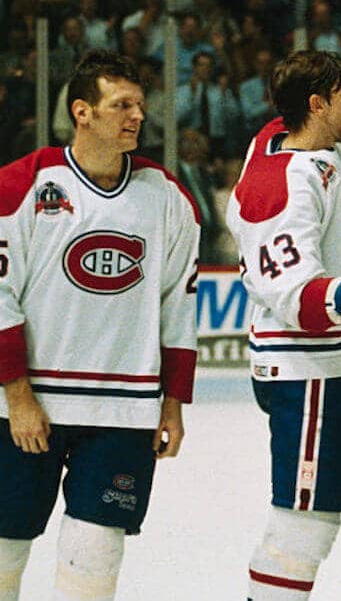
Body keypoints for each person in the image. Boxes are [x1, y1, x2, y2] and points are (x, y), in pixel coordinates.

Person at [0, 52, 199, 601]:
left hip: (123, 409)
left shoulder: (169, 199)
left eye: (140, 104)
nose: (136, 115)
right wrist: (17, 397)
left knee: (95, 554)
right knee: (4, 547)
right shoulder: (21, 186)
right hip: (29, 405)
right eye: (121, 105)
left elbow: (178, 307)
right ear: (82, 111)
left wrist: (171, 404)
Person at [226, 50, 341, 601]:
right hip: (311, 374)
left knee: (315, 513)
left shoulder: (298, 137)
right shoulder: (279, 186)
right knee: (302, 526)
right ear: (316, 105)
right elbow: (296, 298)